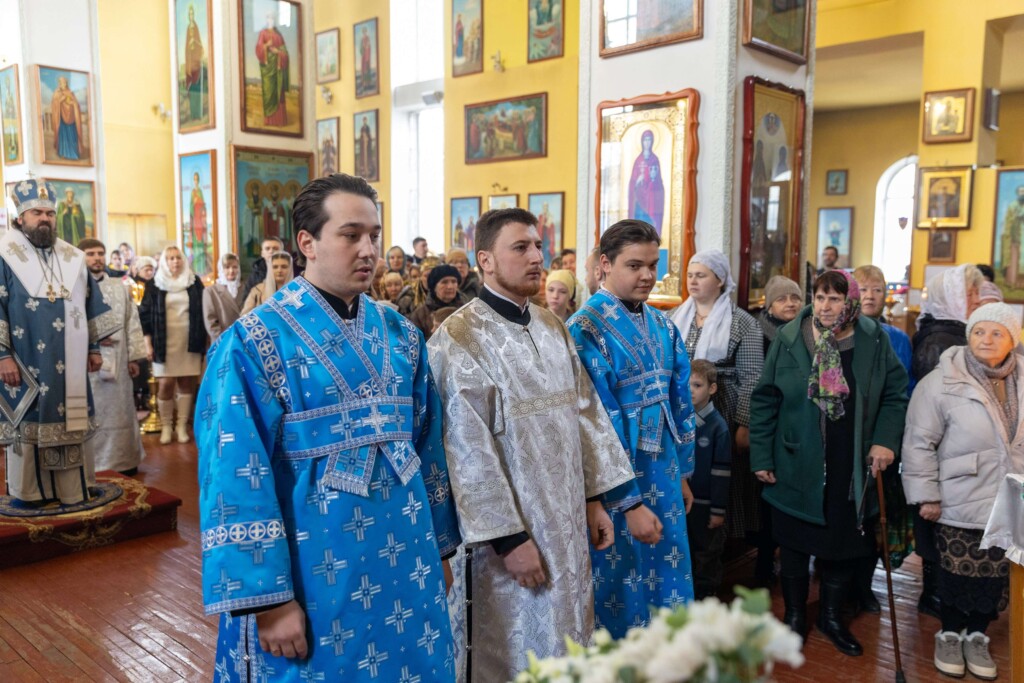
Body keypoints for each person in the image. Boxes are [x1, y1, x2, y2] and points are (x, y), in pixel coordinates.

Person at [196, 173, 460, 682]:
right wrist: (268, 600)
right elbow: (232, 473)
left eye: (374, 236)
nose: (368, 250)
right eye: (350, 235)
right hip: (313, 569)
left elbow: (428, 447)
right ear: (307, 243)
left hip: (408, 558)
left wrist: (440, 548)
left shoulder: (401, 335)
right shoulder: (253, 341)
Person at [428, 207, 634, 681]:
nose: (537, 257)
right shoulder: (458, 338)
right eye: (520, 247)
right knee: (511, 647)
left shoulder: (552, 326)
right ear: (485, 260)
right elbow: (465, 450)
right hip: (507, 544)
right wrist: (508, 539)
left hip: (567, 525)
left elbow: (585, 415)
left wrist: (594, 499)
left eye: (538, 246)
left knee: (568, 634)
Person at [750, 270, 908, 655]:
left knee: (843, 540)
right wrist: (762, 455)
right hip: (796, 460)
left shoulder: (873, 338)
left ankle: (831, 617)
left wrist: (884, 441)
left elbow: (895, 393)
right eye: (819, 297)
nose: (824, 306)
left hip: (850, 461)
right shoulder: (791, 338)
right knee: (794, 543)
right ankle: (794, 617)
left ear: (849, 302)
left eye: (834, 299)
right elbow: (765, 399)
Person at [567, 219, 696, 636]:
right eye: (635, 265)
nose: (647, 275)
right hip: (615, 481)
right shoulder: (584, 330)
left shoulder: (663, 325)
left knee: (668, 566)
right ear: (605, 264)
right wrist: (625, 499)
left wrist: (683, 472)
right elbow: (592, 424)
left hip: (665, 469)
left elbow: (680, 402)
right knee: (620, 577)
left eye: (653, 265)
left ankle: (668, 658)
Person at [903, 302, 1023, 680]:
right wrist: (927, 495)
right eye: (979, 331)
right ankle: (950, 635)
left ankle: (977, 636)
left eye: (997, 333)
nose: (986, 339)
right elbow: (918, 443)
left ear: (1013, 339)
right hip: (959, 495)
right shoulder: (941, 381)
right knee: (956, 573)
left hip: (1011, 500)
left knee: (995, 576)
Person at [0, 179, 115, 505]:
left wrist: (93, 348)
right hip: (25, 361)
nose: (45, 219)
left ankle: (72, 489)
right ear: (21, 217)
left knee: (71, 420)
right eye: (37, 212)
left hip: (71, 365)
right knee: (29, 420)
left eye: (50, 213)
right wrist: (2, 356)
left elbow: (89, 303)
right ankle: (31, 493)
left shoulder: (72, 257)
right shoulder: (5, 255)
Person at [670, 251, 765, 550]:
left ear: (720, 279)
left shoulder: (742, 322)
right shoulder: (674, 317)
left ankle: (719, 543)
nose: (693, 281)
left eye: (701, 275)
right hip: (682, 407)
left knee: (720, 474)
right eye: (690, 275)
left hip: (722, 408)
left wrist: (744, 423)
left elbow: (752, 376)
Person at [910, 263, 985, 617]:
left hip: (960, 446)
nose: (977, 299)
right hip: (944, 447)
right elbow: (935, 405)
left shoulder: (959, 332)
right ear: (952, 297)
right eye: (970, 293)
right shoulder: (940, 340)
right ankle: (934, 594)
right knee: (937, 522)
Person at [79, 238, 146, 475]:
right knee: (92, 410)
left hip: (119, 357)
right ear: (80, 256)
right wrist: (93, 339)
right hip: (86, 361)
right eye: (90, 254)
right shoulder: (72, 288)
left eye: (100, 253)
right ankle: (91, 463)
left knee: (120, 409)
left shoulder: (120, 287)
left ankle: (123, 460)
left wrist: (134, 357)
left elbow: (132, 322)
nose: (96, 258)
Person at [139, 246, 205, 445]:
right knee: (166, 384)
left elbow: (204, 309)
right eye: (170, 258)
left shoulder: (194, 282)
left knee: (186, 383)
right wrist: (147, 344)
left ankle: (181, 426)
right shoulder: (154, 284)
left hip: (189, 339)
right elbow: (144, 316)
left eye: (178, 258)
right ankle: (166, 426)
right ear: (164, 262)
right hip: (162, 341)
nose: (175, 261)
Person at [686, 359, 731, 600]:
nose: (690, 390)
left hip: (706, 505)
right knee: (688, 550)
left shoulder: (718, 426)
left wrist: (717, 511)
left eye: (697, 385)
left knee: (708, 553)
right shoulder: (681, 420)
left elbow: (722, 472)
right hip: (685, 503)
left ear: (712, 388)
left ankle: (707, 596)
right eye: (687, 385)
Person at [409, 263, 467, 339]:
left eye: (454, 281)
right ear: (434, 287)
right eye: (444, 282)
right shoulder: (420, 315)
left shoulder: (465, 310)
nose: (450, 286)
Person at [628, 130, 665, 235]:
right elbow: (632, 182)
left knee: (650, 226)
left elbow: (658, 182)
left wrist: (651, 178)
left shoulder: (654, 159)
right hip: (639, 199)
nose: (647, 143)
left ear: (652, 141)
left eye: (649, 140)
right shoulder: (638, 160)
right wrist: (638, 180)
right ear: (642, 142)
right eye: (645, 140)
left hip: (651, 198)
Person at [202, 252, 245, 343]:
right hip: (222, 341)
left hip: (243, 340)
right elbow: (210, 321)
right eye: (227, 267)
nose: (231, 271)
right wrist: (224, 340)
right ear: (221, 269)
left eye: (235, 267)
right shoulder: (211, 291)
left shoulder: (245, 288)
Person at [255, 13, 289, 127]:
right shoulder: (263, 33)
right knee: (269, 92)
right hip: (268, 69)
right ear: (266, 20)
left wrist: (278, 52)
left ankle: (280, 121)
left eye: (273, 18)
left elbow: (285, 54)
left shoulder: (279, 36)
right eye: (269, 18)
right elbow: (258, 49)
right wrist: (266, 46)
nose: (271, 20)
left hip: (277, 69)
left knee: (279, 94)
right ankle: (269, 121)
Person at [182, 2, 206, 123]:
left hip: (196, 63)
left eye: (192, 14)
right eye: (189, 14)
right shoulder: (188, 28)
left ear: (194, 15)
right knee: (192, 91)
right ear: (188, 16)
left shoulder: (195, 28)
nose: (191, 16)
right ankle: (193, 114)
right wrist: (189, 45)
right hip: (190, 63)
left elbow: (200, 44)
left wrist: (194, 42)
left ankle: (198, 114)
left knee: (197, 89)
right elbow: (186, 47)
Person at [50, 76, 84, 161]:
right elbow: (54, 104)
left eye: (65, 82)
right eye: (62, 82)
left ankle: (73, 153)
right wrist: (61, 100)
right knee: (63, 136)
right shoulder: (57, 93)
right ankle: (63, 153)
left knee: (72, 136)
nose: (64, 84)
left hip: (71, 119)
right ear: (59, 83)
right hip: (62, 118)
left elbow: (76, 104)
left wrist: (73, 103)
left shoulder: (70, 92)